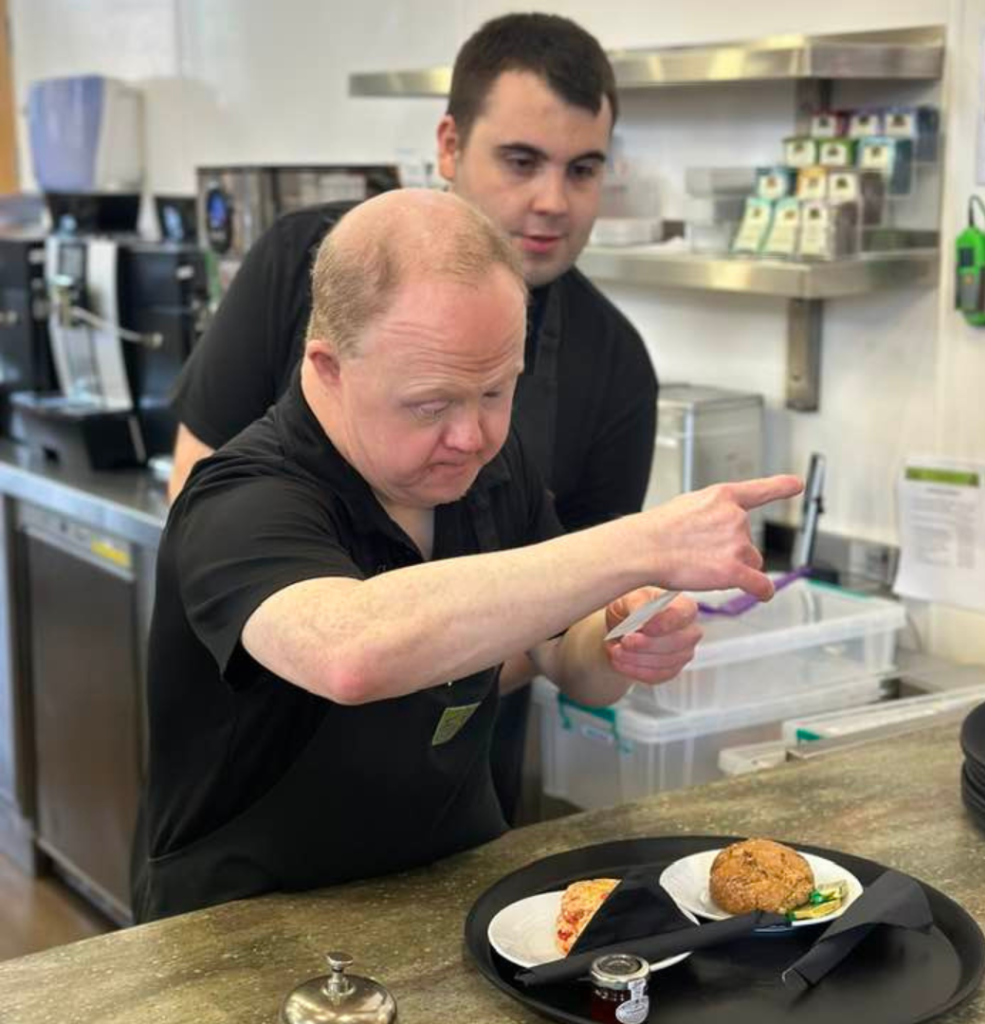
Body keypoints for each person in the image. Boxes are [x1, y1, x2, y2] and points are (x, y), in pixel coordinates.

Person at [132, 189, 801, 921]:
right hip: (246, 923)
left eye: (495, 390)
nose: (471, 437)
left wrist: (616, 642)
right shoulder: (241, 500)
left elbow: (562, 659)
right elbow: (351, 652)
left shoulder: (492, 467)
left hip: (450, 890)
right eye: (429, 404)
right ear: (328, 368)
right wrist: (642, 543)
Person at [169, 14, 656, 823]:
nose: (551, 201)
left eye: (583, 169)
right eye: (521, 161)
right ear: (450, 145)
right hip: (255, 782)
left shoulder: (615, 367)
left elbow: (573, 616)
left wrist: (622, 631)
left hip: (455, 800)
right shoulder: (303, 264)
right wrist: (371, 650)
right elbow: (197, 513)